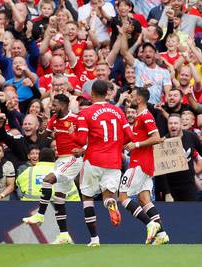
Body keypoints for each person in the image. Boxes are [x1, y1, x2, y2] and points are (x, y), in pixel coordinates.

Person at [70, 80, 134, 247]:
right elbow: (129, 136)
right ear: (107, 93)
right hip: (114, 160)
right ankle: (111, 204)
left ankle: (94, 239)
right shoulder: (119, 112)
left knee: (87, 196)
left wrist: (71, 133)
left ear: (92, 94)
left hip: (93, 159)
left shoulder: (86, 113)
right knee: (108, 195)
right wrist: (116, 144)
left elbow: (80, 140)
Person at [22, 94, 83, 244]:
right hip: (60, 160)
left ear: (63, 105)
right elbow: (42, 142)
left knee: (48, 179)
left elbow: (86, 140)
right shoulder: (54, 120)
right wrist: (44, 127)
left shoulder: (76, 119)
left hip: (73, 159)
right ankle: (64, 235)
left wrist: (82, 149)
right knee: (59, 198)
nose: (51, 107)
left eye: (54, 105)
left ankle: (40, 215)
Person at [119, 87, 169, 245]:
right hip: (145, 163)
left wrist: (136, 144)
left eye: (133, 96)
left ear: (139, 100)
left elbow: (155, 137)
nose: (130, 99)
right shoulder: (140, 116)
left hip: (139, 163)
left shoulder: (146, 116)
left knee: (123, 197)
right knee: (144, 200)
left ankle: (150, 224)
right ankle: (162, 234)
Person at [162, 114, 202, 201]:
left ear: (181, 124)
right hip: (171, 187)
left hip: (189, 185)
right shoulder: (163, 141)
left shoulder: (191, 136)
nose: (173, 125)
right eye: (170, 123)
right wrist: (167, 193)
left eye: (175, 123)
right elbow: (161, 173)